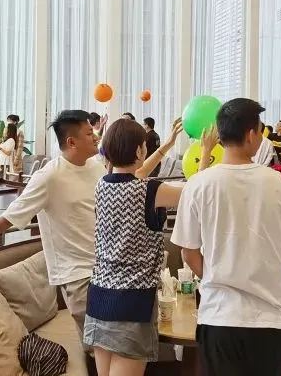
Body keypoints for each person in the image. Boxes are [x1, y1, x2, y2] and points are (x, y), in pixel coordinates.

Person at [170, 98, 281, 375]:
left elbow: (188, 253)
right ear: (251, 134)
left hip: (219, 316)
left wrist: (217, 275)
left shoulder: (198, 184)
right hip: (269, 320)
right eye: (260, 131)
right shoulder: (278, 183)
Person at [0, 110, 102, 335]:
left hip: (106, 268)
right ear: (71, 142)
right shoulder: (49, 177)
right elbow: (8, 218)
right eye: (89, 133)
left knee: (118, 343)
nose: (95, 136)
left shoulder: (97, 167)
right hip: (77, 275)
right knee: (97, 345)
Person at [84, 119, 184, 376]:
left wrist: (166, 147)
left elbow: (134, 175)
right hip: (132, 301)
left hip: (99, 295)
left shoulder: (102, 185)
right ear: (140, 150)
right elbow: (196, 192)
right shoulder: (150, 190)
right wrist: (205, 153)